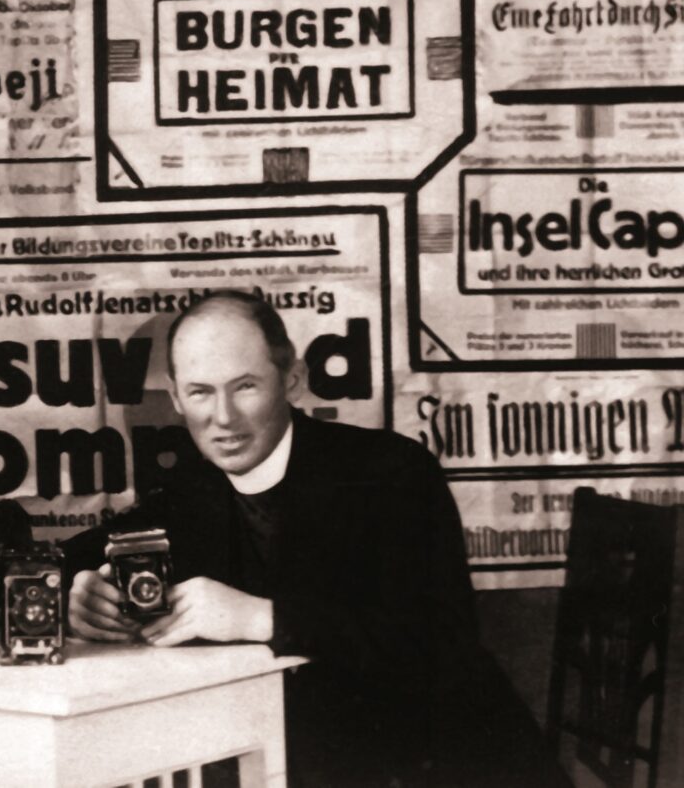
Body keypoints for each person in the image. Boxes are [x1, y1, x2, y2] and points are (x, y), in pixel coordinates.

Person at [62, 290, 570, 788]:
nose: (222, 417)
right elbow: (73, 556)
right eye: (200, 392)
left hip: (446, 765)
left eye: (245, 387)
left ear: (293, 380)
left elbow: (440, 640)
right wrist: (79, 593)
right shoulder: (192, 489)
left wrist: (262, 617)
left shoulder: (391, 471)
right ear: (176, 398)